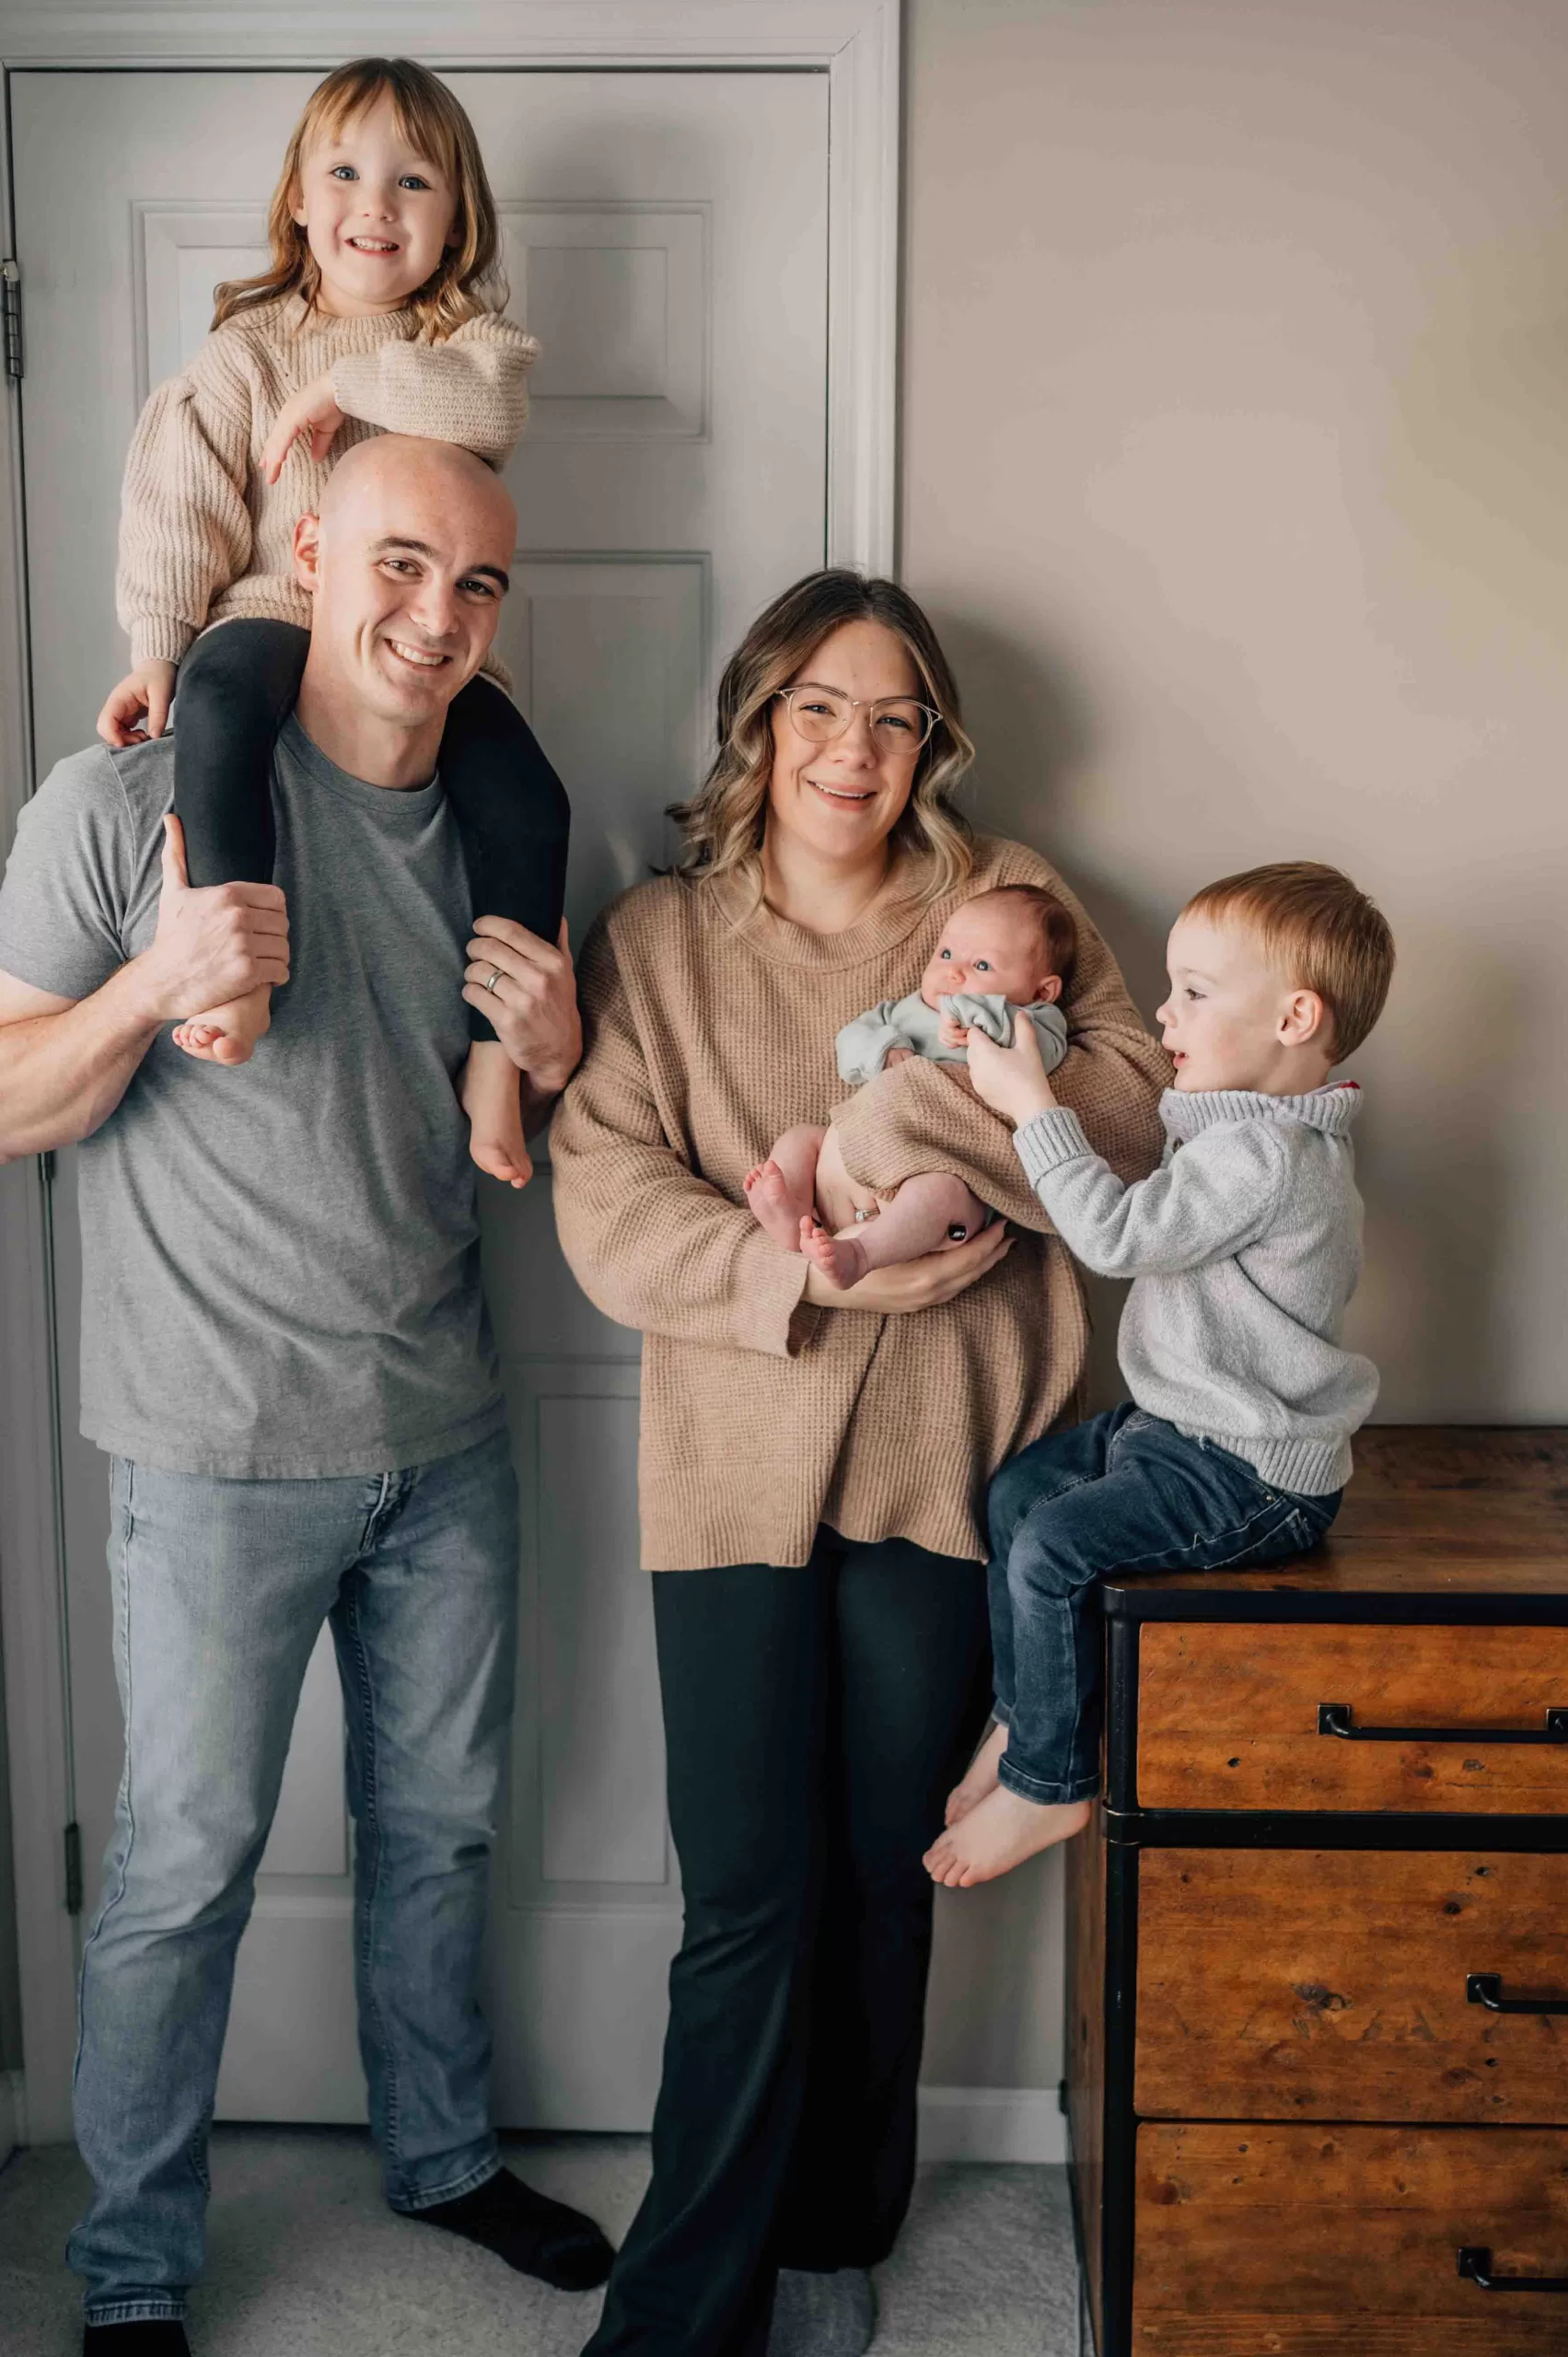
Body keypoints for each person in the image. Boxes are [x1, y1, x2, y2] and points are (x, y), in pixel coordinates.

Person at [0, 435, 605, 2354]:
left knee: (443, 1829)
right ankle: (134, 2264)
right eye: (403, 566)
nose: (436, 621)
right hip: (209, 1448)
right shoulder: (121, 806)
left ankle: (437, 2154)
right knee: (179, 1865)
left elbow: (523, 1138)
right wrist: (140, 985)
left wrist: (561, 1049)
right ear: (310, 554)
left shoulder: (512, 835)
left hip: (443, 1431)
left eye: (479, 586)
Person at [549, 567, 1170, 2357]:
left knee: (879, 1872)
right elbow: (606, 1203)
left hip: (949, 1454)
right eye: (819, 705)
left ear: (932, 744)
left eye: (893, 714)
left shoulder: (1000, 909)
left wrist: (950, 1154)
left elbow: (1132, 1095)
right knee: (741, 1893)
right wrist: (815, 1275)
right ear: (758, 722)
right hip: (730, 1462)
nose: (854, 746)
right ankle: (682, 2302)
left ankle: (834, 2227)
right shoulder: (658, 942)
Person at [97, 53, 568, 1190]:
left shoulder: (470, 349)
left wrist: (352, 390)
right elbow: (182, 509)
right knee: (217, 708)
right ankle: (238, 972)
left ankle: (496, 1063)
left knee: (531, 798)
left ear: (454, 224)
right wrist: (156, 649)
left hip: (425, 645)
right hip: (271, 610)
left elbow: (483, 406)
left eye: (414, 183)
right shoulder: (244, 354)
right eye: (346, 173)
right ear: (298, 199)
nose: (375, 204)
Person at [925, 862, 1395, 1890]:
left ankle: (1052, 1783)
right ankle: (1026, 1719)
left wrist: (1028, 1101)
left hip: (1248, 1471)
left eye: (1192, 990)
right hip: (1178, 1425)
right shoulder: (1250, 1131)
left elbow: (1111, 1235)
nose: (1159, 1010)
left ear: (1293, 1017)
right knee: (1017, 1494)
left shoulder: (1266, 1157)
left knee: (1049, 1545)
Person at [746, 880, 1074, 1288]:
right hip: (854, 1152)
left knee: (943, 1195)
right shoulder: (903, 1010)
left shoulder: (1035, 1021)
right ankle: (792, 1217)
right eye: (947, 953)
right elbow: (851, 1040)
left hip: (942, 1165)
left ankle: (861, 1254)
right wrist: (884, 1048)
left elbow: (1045, 1053)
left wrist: (974, 1016)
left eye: (982, 966)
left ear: (1043, 990)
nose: (953, 972)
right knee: (801, 1139)